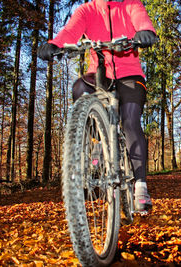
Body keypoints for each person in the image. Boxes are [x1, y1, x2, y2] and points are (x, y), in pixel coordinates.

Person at [38, 0, 157, 213]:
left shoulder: (130, 4)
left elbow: (141, 18)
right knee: (79, 88)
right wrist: (55, 44)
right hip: (98, 74)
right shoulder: (87, 10)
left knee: (130, 120)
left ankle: (140, 186)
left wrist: (145, 31)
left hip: (130, 74)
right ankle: (99, 142)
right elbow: (71, 30)